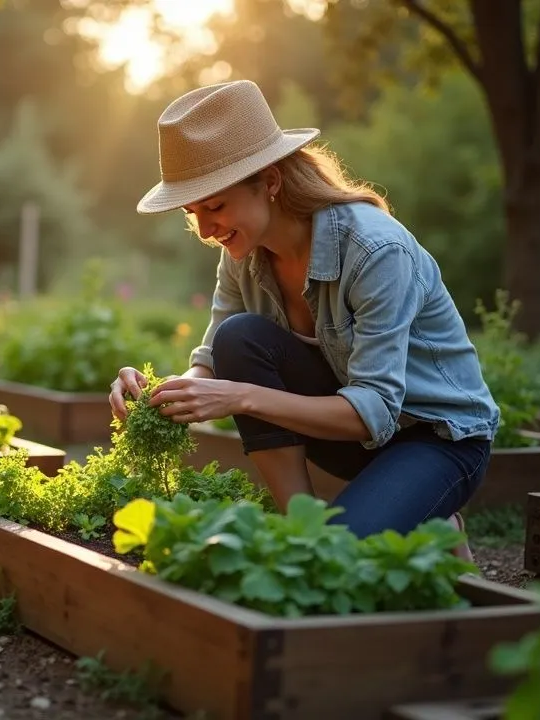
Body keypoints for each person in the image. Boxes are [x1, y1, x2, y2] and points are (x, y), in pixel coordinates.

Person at [108, 79, 499, 558]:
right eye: (193, 213)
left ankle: (423, 506)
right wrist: (167, 392)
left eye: (215, 206)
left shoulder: (376, 251)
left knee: (346, 554)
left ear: (270, 182)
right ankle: (303, 529)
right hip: (350, 434)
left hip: (437, 438)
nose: (206, 230)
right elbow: (212, 357)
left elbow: (373, 409)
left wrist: (243, 398)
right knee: (239, 337)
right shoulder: (242, 253)